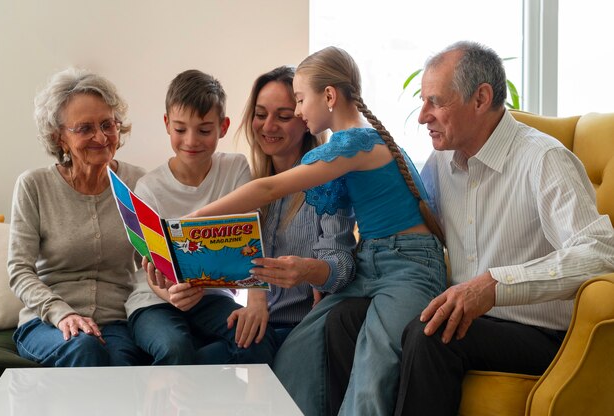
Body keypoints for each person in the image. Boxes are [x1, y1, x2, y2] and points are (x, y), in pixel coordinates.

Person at [324, 40, 614, 416]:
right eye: (423, 101)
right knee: (344, 317)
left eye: (435, 102)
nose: (422, 116)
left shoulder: (544, 159)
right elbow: (413, 231)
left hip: (539, 333)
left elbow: (600, 252)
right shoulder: (441, 164)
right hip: (466, 316)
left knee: (434, 336)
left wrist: (495, 285)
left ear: (480, 99)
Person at [180, 46, 447, 416]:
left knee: (374, 366)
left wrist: (191, 220)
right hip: (373, 260)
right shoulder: (346, 149)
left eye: (301, 100)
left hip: (409, 263)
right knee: (298, 350)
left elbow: (268, 189)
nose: (302, 111)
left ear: (330, 96)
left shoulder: (356, 143)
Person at [125, 69, 277, 365]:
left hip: (213, 298)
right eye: (180, 129)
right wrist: (171, 295)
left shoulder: (235, 169)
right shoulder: (149, 188)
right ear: (167, 125)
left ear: (223, 127)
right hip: (155, 302)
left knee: (255, 336)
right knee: (174, 347)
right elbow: (149, 266)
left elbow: (252, 240)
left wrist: (258, 302)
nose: (191, 141)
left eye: (204, 130)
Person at [8, 68, 148, 366]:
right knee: (84, 349)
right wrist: (63, 313)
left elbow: (150, 262)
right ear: (59, 137)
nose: (101, 137)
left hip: (116, 323)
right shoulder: (34, 186)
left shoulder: (138, 184)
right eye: (85, 128)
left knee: (123, 364)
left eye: (107, 124)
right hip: (48, 323)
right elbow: (20, 270)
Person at [225, 66, 356, 349]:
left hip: (299, 330)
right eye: (260, 115)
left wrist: (309, 270)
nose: (268, 126)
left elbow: (343, 267)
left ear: (304, 118)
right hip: (257, 324)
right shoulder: (246, 181)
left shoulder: (326, 182)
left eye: (283, 117)